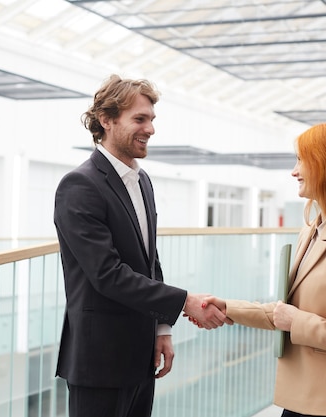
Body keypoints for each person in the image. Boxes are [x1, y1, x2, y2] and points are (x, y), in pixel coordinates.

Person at [53, 74, 228, 417]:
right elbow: (108, 274)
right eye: (139, 119)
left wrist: (162, 327)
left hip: (141, 355)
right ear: (106, 120)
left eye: (151, 119)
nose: (150, 129)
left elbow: (150, 261)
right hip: (100, 361)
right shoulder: (79, 185)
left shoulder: (141, 180)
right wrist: (185, 302)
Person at [200, 121, 326, 417]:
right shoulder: (312, 230)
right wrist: (228, 307)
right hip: (302, 400)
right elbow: (286, 311)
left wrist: (298, 322)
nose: (294, 171)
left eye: (301, 160)